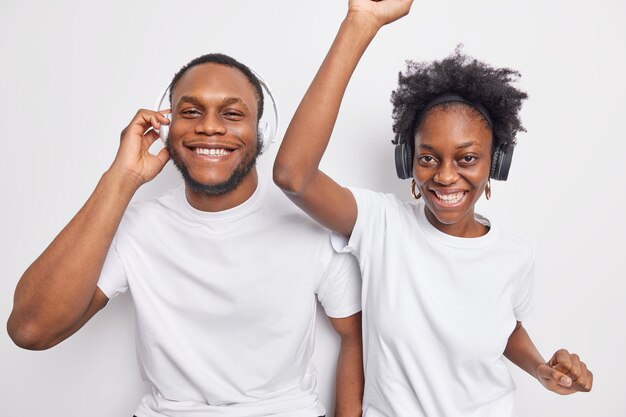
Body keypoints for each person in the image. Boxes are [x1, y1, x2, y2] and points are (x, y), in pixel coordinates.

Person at [273, 1, 593, 416]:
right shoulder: (380, 224)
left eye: (466, 158)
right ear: (408, 161)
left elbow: (506, 326)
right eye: (428, 158)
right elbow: (293, 176)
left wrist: (540, 368)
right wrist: (360, 24)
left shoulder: (516, 254)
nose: (444, 176)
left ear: (496, 162)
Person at [7, 53, 364, 417]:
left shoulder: (309, 222)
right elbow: (31, 330)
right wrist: (121, 178)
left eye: (232, 114)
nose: (209, 127)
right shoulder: (134, 226)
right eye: (191, 112)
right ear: (165, 129)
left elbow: (356, 335)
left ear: (262, 133)